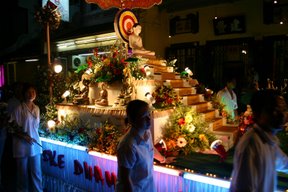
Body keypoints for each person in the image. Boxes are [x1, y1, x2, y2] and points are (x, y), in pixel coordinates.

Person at [229, 89, 288, 192]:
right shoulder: (251, 144)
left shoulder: (270, 141)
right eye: (274, 110)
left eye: (283, 109)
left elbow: (284, 163)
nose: (281, 115)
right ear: (258, 113)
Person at [115, 99, 175, 192]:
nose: (148, 119)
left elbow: (151, 149)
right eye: (144, 116)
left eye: (149, 114)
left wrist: (163, 159)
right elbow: (125, 180)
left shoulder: (146, 133)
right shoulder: (128, 145)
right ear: (133, 120)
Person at [10, 83, 43, 192]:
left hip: (35, 144)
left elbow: (36, 127)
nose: (31, 94)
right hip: (22, 146)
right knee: (22, 174)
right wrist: (24, 136)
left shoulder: (37, 108)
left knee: (36, 172)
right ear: (24, 94)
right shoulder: (19, 108)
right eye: (28, 92)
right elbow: (11, 127)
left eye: (33, 92)